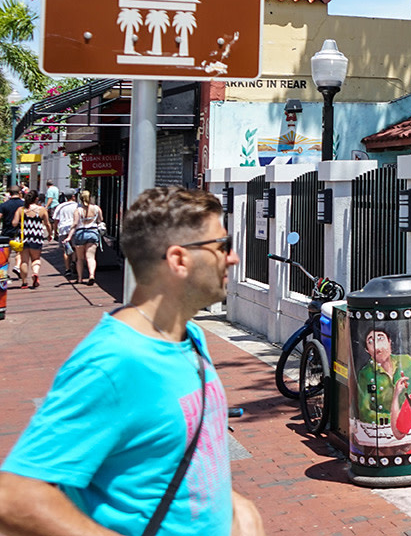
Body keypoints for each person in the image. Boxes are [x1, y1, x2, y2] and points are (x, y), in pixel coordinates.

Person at [0, 186, 265, 536]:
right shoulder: (115, 361)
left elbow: (172, 460)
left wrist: (233, 506)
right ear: (179, 259)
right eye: (222, 247)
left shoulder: (188, 336)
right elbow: (13, 495)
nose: (232, 258)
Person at [355, 325, 411, 425]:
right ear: (367, 350)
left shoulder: (406, 361)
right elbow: (364, 412)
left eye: (380, 338)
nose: (377, 346)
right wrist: (395, 420)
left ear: (389, 342)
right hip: (384, 429)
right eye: (370, 342)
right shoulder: (365, 374)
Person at [13, 192, 52, 290]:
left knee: (24, 261)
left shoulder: (21, 210)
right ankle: (35, 273)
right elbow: (47, 224)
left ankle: (24, 282)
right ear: (36, 199)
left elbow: (14, 223)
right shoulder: (42, 210)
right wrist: (50, 234)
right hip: (36, 237)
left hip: (24, 237)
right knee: (36, 259)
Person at [71, 189, 104, 287]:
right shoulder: (96, 209)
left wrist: (69, 235)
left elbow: (75, 223)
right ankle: (91, 275)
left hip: (80, 233)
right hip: (93, 233)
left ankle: (80, 278)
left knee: (80, 258)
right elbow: (100, 220)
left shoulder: (78, 210)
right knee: (91, 257)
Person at [53, 191, 79, 282]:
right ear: (73, 197)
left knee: (66, 249)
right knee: (75, 248)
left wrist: (55, 230)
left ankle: (67, 269)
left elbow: (56, 219)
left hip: (63, 229)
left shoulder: (60, 206)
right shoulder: (77, 206)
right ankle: (74, 262)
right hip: (74, 229)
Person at [1, 187, 23, 283]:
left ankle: (4, 274)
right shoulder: (23, 204)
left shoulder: (4, 205)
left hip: (6, 232)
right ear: (19, 192)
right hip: (20, 232)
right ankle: (17, 266)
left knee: (6, 254)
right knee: (20, 252)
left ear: (9, 193)